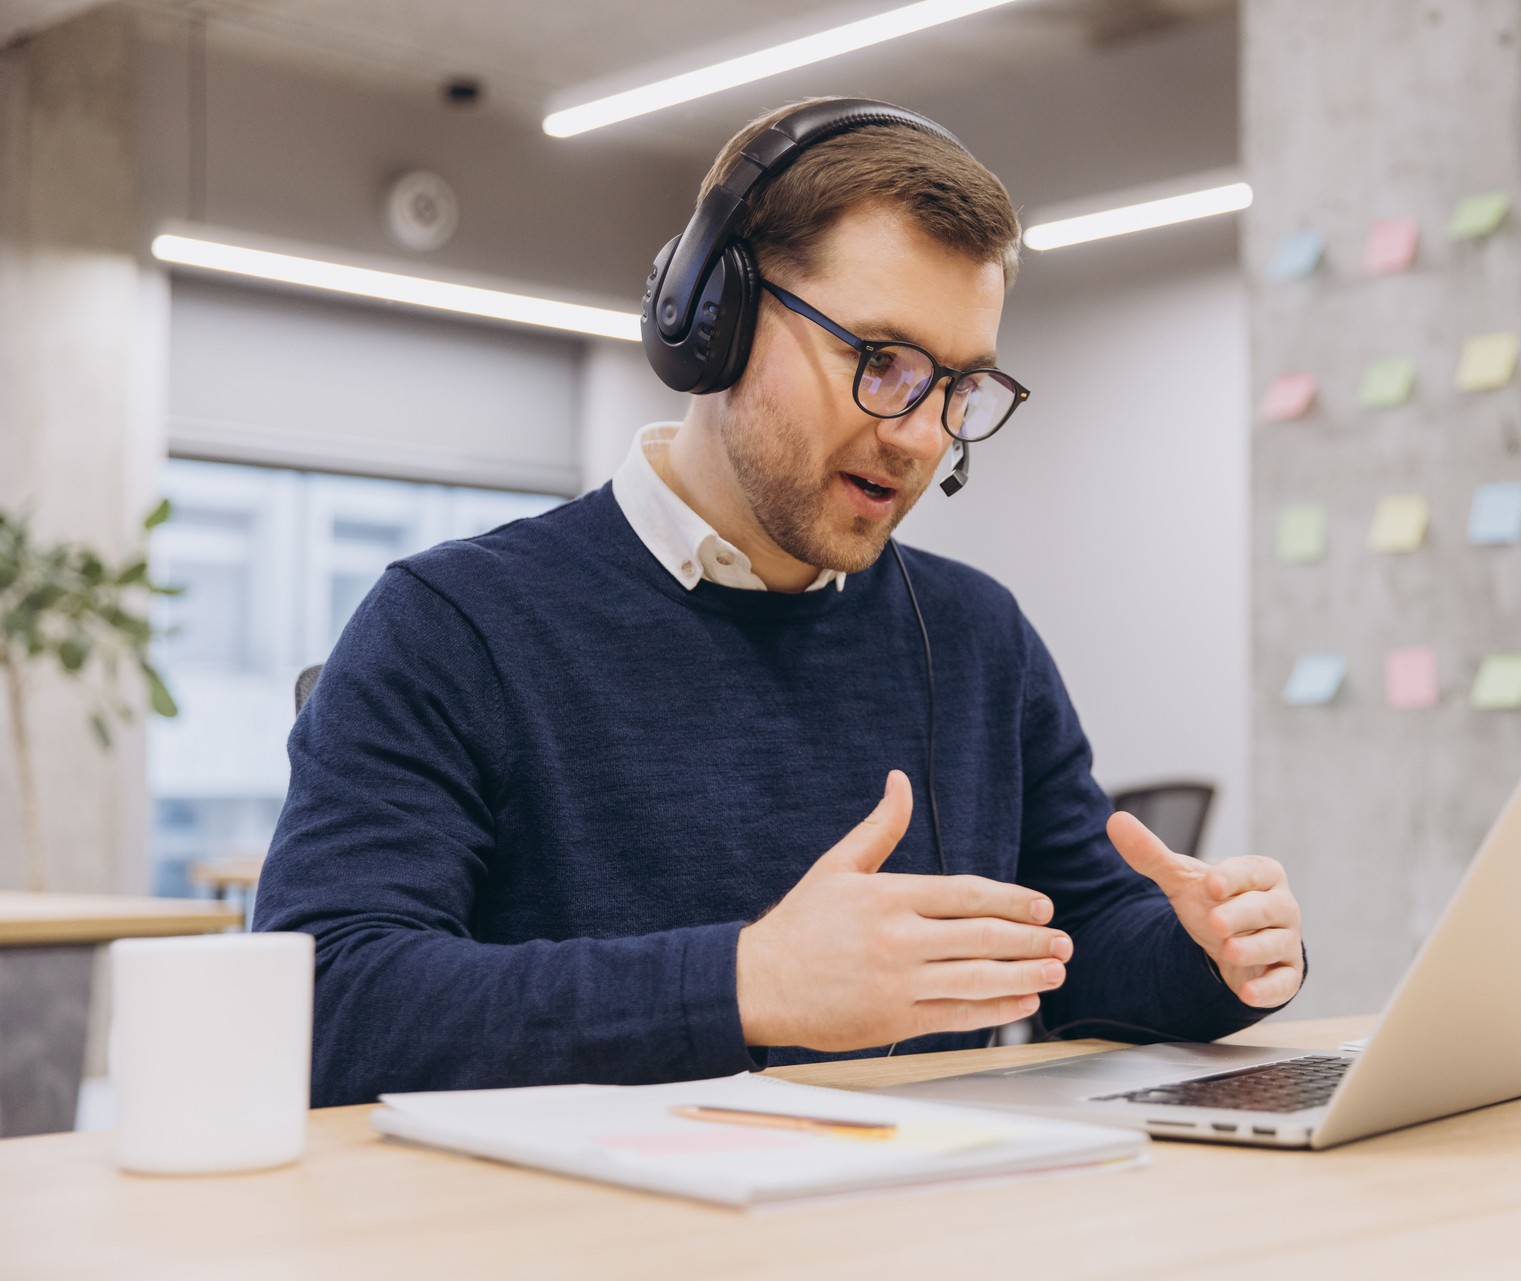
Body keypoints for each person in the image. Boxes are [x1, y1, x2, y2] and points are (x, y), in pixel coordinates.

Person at [255, 98, 1306, 1107]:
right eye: (882, 362)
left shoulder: (978, 636)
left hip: (931, 1213)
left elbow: (1081, 949)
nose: (920, 435)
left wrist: (1211, 953)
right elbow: (331, 1003)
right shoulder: (454, 623)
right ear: (716, 320)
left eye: (956, 386)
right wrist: (746, 982)